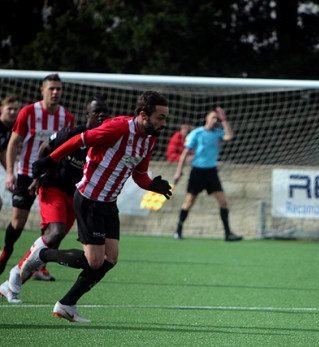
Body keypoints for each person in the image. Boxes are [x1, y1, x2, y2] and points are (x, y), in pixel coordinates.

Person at [20, 91, 172, 323]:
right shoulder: (118, 128)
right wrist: (49, 160)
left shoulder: (150, 139)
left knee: (111, 258)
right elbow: (78, 140)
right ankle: (41, 254)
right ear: (143, 115)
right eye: (160, 117)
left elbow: (139, 174)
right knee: (95, 261)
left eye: (165, 118)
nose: (164, 123)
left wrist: (152, 185)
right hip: (89, 199)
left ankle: (67, 304)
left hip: (109, 203)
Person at [0, 95, 109, 304]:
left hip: (76, 196)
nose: (102, 115)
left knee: (54, 240)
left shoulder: (106, 142)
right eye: (97, 111)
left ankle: (13, 281)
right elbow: (44, 148)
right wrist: (38, 177)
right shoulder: (73, 134)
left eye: (105, 111)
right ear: (87, 114)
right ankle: (14, 275)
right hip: (53, 188)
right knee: (55, 232)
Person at [0, 74, 74, 279]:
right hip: (25, 173)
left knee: (55, 226)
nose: (55, 92)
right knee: (18, 223)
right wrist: (9, 172)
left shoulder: (66, 117)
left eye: (58, 88)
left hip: (51, 177)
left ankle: (39, 266)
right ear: (43, 91)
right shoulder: (28, 112)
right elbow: (14, 143)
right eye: (51, 88)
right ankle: (6, 253)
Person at [173, 107, 242, 241]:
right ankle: (178, 231)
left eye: (217, 118)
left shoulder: (218, 133)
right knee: (189, 202)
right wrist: (178, 172)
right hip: (197, 171)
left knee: (224, 202)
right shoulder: (197, 133)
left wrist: (224, 119)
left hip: (211, 172)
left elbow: (229, 136)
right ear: (207, 118)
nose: (215, 120)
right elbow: (184, 153)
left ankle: (228, 234)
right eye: (213, 118)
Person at [0, 95, 21, 212]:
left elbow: (2, 153)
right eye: (9, 109)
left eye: (15, 109)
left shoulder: (10, 129)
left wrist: (10, 174)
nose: (13, 112)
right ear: (1, 109)